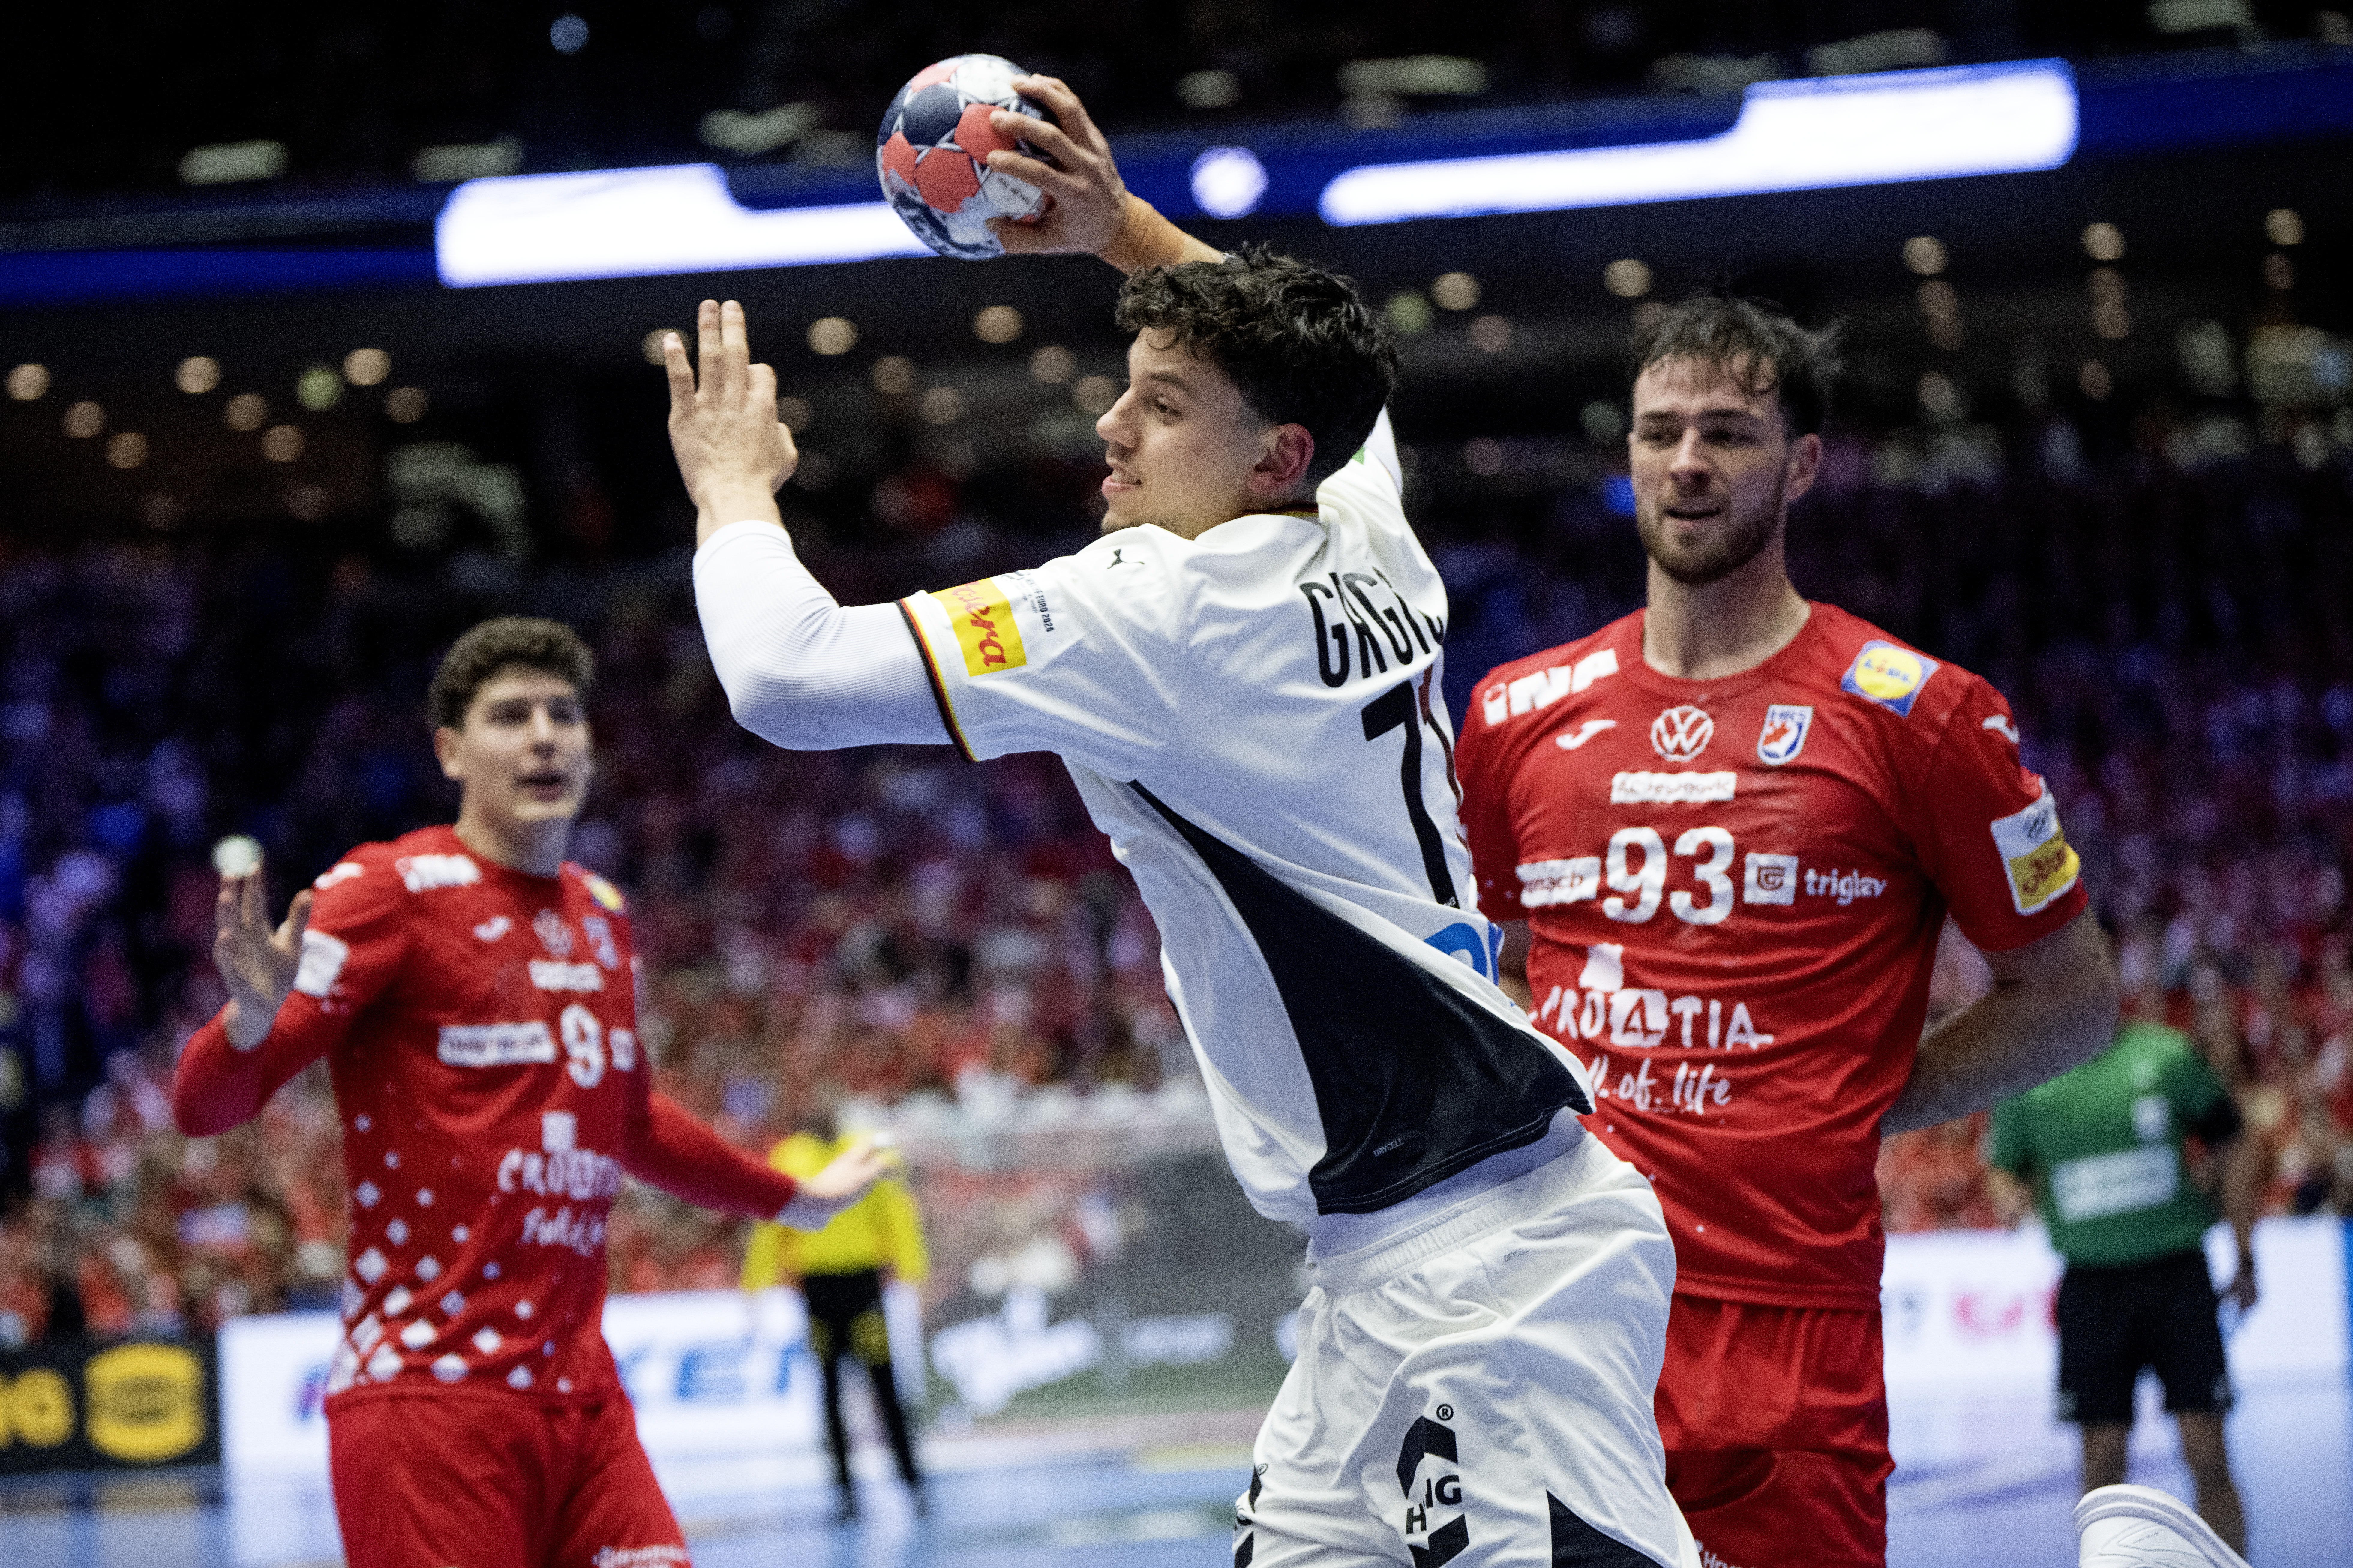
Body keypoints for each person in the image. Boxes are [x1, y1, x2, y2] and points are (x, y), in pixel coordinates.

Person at [663, 74, 1701, 1568]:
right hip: (1400, 1253)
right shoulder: (1361, 516)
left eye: (1161, 404)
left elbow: (781, 674)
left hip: (1486, 1269)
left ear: (1272, 455)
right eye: (1128, 385)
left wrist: (729, 494)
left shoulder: (1156, 606)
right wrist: (1122, 228)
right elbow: (1324, 368)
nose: (1111, 421)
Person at [1454, 296, 2120, 1568]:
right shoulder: (1513, 712)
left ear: (1801, 462)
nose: (1687, 460)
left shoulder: (1921, 715)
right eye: (1659, 431)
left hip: (1781, 1330)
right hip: (1551, 1303)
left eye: (1727, 431)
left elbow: (2071, 996)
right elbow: (1508, 962)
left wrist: (1855, 1095)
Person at [172, 617, 889, 1568]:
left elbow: (628, 1119)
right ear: (452, 751)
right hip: (430, 1404)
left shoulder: (602, 914)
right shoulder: (392, 888)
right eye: (511, 716)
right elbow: (201, 1109)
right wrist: (249, 1024)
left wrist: (790, 1198)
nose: (545, 734)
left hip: (586, 1408)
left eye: (563, 714)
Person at [1989, 1010, 2259, 1560]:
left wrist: (2246, 1254)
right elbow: (2003, 1165)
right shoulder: (2030, 1076)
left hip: (2176, 1274)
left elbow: (2233, 1143)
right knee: (2103, 1459)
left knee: (2206, 1447)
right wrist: (2007, 1193)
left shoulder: (2169, 1057)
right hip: (2092, 1286)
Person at [740, 1108, 930, 1522]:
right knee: (829, 1393)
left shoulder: (863, 1153)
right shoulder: (790, 1156)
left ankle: (913, 1483)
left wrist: (912, 1272)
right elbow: (770, 1224)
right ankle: (844, 1493)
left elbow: (897, 1212)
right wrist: (756, 1284)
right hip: (818, 1288)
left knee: (886, 1388)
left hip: (864, 1285)